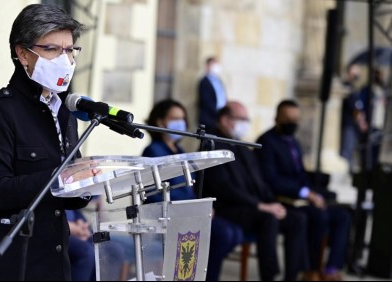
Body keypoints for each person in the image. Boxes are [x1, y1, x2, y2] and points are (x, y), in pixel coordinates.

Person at [0, 4, 94, 280]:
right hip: (9, 266)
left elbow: (67, 191)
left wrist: (87, 183)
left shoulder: (65, 111)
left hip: (54, 262)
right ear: (22, 53)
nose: (65, 59)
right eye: (52, 49)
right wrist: (61, 177)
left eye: (70, 50)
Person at [203, 101, 310, 281]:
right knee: (268, 219)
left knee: (296, 219)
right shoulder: (212, 146)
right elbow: (225, 189)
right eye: (241, 119)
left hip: (253, 207)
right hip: (229, 209)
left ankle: (293, 276)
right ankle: (270, 276)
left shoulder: (242, 147)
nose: (245, 123)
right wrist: (261, 206)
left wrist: (273, 203)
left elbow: (259, 182)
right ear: (224, 120)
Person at [142, 99, 243, 281]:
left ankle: (198, 271)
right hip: (170, 214)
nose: (181, 123)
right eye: (175, 118)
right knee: (223, 234)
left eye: (183, 119)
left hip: (189, 212)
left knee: (235, 232)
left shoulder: (179, 150)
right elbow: (154, 193)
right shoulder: (154, 150)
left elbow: (191, 187)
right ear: (160, 122)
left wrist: (201, 206)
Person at [256, 100, 352, 281]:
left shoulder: (295, 143)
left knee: (343, 216)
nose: (292, 123)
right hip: (283, 199)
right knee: (318, 216)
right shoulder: (266, 142)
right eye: (288, 119)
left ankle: (331, 269)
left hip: (303, 196)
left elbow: (300, 174)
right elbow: (271, 180)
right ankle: (311, 270)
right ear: (277, 118)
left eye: (296, 119)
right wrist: (305, 193)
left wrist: (312, 192)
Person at [340, 64, 363, 171]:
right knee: (347, 149)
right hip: (348, 123)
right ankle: (344, 171)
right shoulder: (346, 87)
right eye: (355, 72)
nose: (357, 74)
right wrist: (361, 122)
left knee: (351, 148)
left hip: (352, 125)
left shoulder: (354, 88)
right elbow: (355, 109)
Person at [198, 56, 227, 133]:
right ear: (207, 66)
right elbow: (206, 101)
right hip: (209, 119)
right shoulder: (204, 81)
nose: (216, 67)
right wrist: (218, 113)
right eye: (214, 64)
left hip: (219, 118)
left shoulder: (219, 81)